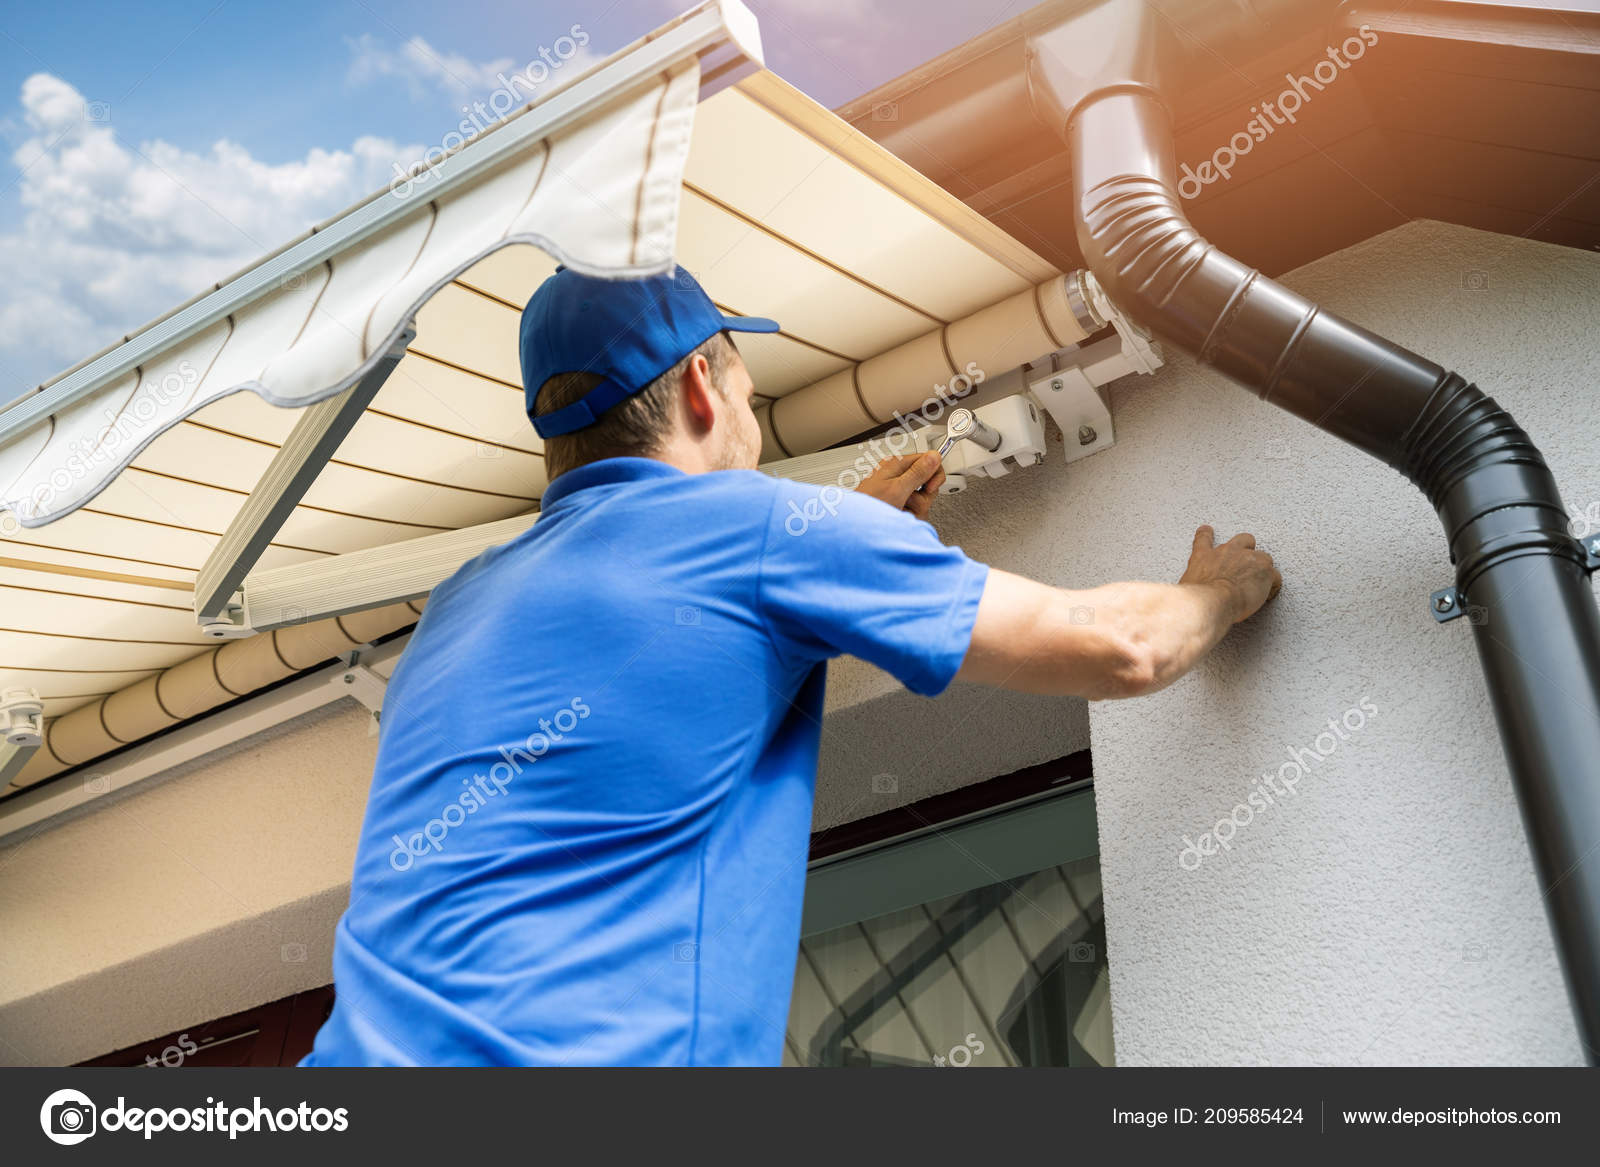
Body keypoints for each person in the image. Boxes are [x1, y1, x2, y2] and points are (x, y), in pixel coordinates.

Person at [302, 265, 1279, 1066]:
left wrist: (842, 559)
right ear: (699, 388)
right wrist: (1220, 590)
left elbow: (659, 680)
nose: (751, 414)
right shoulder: (763, 533)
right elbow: (1121, 648)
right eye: (746, 389)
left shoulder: (459, 603)